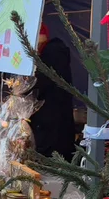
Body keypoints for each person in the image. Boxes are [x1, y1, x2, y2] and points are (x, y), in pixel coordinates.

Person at [29, 24, 76, 161]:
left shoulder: (54, 52)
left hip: (53, 130)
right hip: (45, 126)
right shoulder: (47, 53)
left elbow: (41, 82)